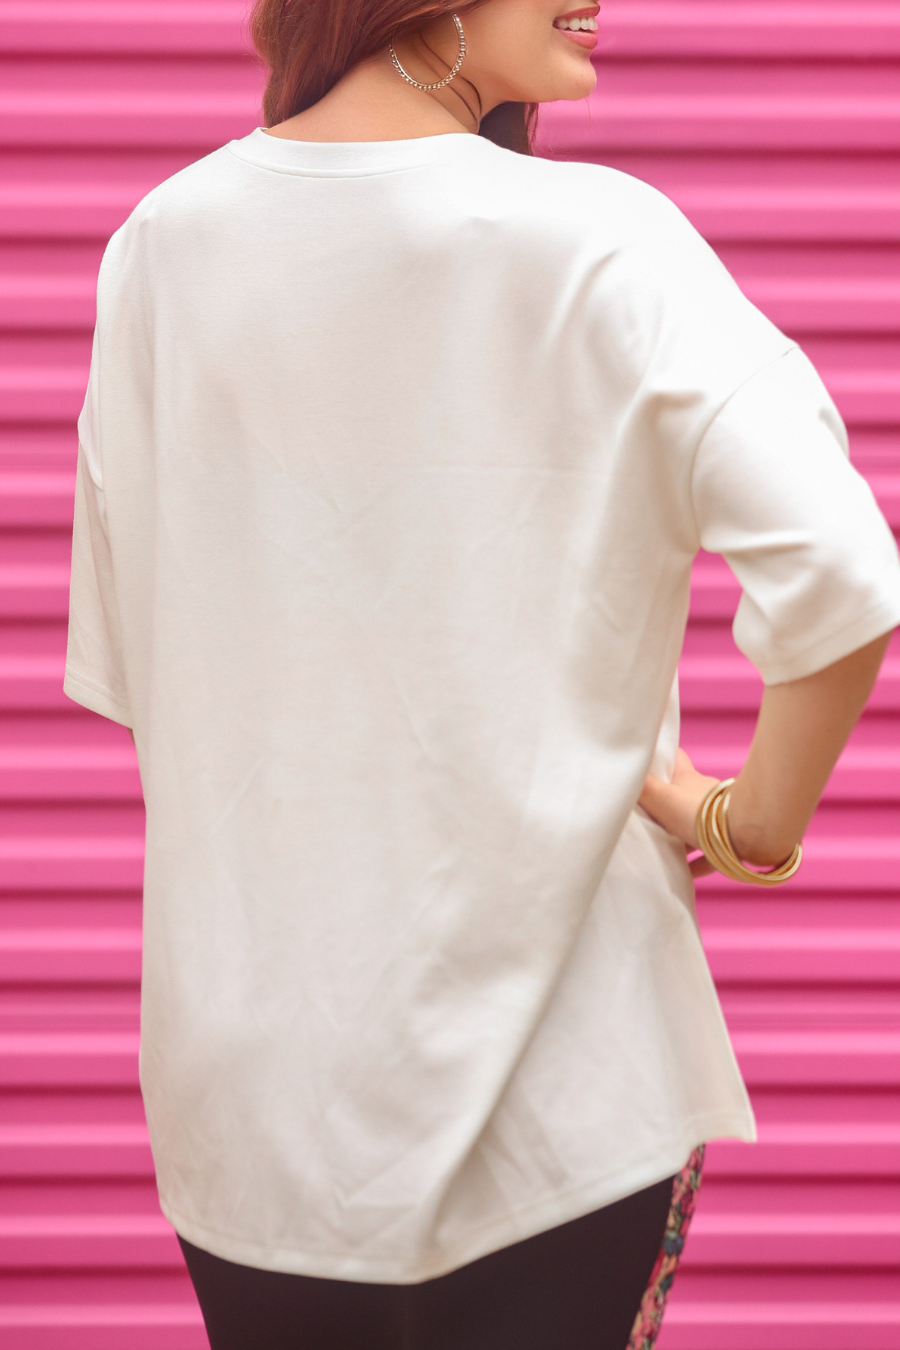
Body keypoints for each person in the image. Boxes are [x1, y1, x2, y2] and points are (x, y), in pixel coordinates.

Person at [64, 1, 900, 1346]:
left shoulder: (158, 248)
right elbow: (846, 577)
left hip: (253, 1117)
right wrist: (743, 822)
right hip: (561, 1106)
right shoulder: (602, 239)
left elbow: (152, 669)